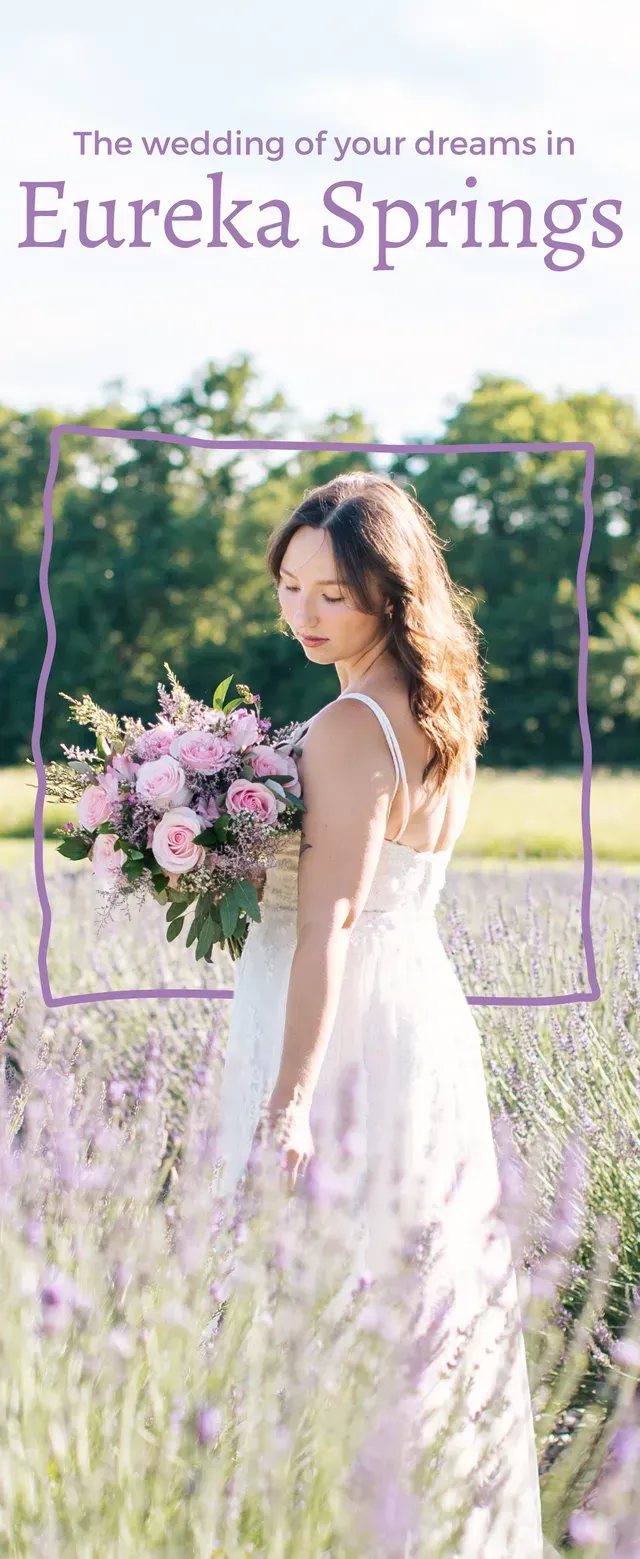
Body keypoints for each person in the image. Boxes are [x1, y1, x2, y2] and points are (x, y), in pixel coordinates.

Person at [212, 471, 544, 1556]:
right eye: (290, 587)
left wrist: (290, 1099)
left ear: (389, 597)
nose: (302, 615)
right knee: (412, 1289)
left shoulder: (350, 726)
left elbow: (331, 923)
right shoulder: (437, 705)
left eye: (332, 597)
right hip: (416, 1012)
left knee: (325, 1281)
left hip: (342, 1021)